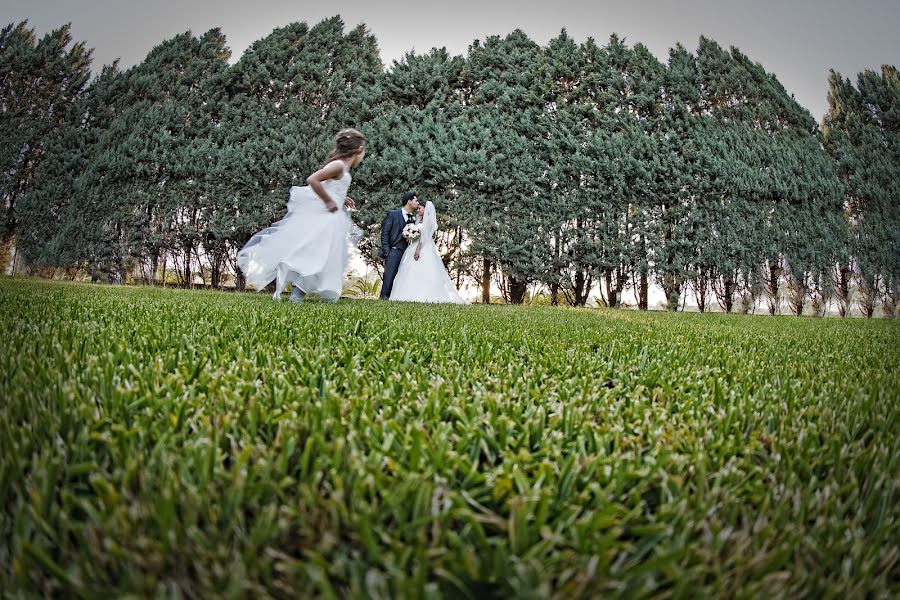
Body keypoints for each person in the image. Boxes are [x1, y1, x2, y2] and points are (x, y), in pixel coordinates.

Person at [237, 128, 366, 302]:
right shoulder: (338, 165)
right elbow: (312, 179)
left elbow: (332, 185)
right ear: (358, 149)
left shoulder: (342, 167)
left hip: (334, 218)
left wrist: (341, 198)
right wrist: (329, 201)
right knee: (314, 255)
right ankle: (297, 295)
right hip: (325, 218)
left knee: (324, 257)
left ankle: (302, 293)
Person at [389, 200, 467, 304]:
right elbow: (417, 234)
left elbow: (425, 238)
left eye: (420, 208)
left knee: (422, 270)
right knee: (411, 270)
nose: (418, 210)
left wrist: (418, 250)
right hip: (413, 247)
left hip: (423, 248)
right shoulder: (418, 220)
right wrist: (410, 234)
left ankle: (423, 295)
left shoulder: (429, 221)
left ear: (426, 209)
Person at [379, 191, 420, 299]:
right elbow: (385, 233)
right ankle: (383, 299)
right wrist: (387, 251)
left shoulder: (413, 219)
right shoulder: (393, 214)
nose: (418, 203)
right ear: (409, 201)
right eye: (416, 200)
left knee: (402, 279)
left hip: (407, 253)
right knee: (389, 278)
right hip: (394, 251)